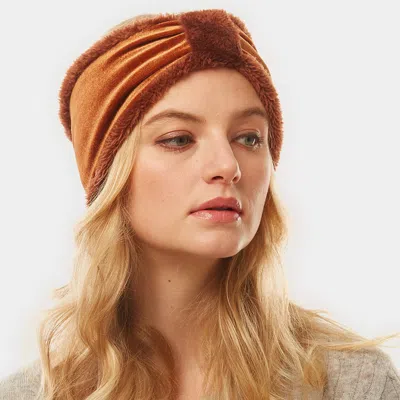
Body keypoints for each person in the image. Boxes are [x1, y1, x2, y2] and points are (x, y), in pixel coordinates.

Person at [1, 9, 399, 400]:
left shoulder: (352, 383)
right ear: (109, 174)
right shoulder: (31, 395)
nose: (227, 166)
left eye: (248, 138)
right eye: (178, 139)